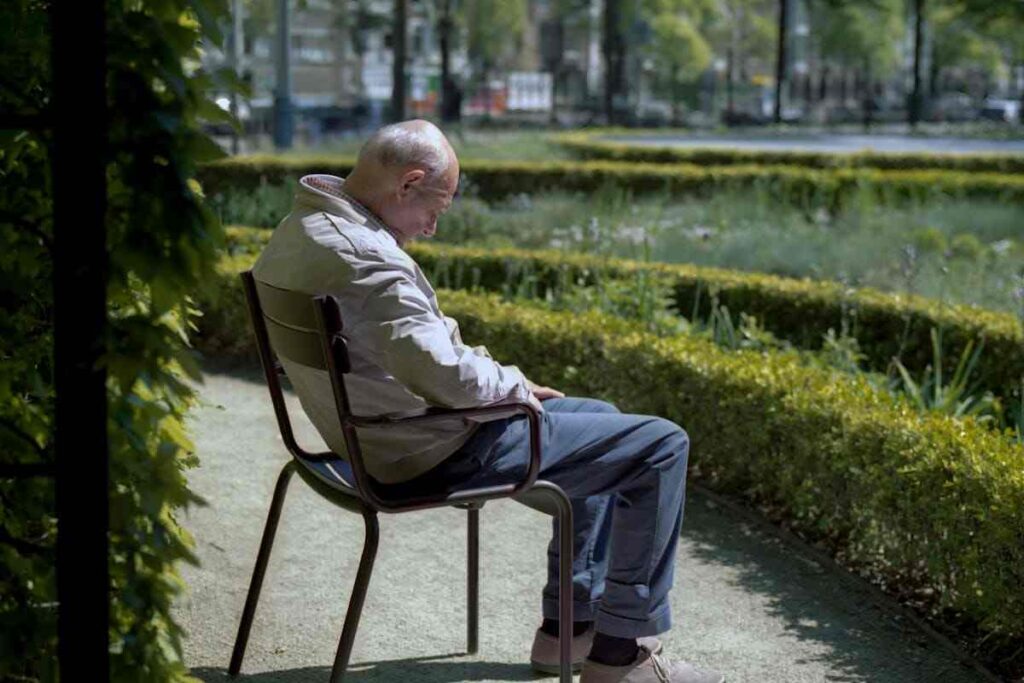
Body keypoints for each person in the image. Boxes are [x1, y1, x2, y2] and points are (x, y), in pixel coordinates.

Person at [252, 120, 724, 683]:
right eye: (437, 207)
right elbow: (448, 380)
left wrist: (506, 384)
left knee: (603, 423)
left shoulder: (301, 227)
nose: (432, 227)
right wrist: (516, 387)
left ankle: (566, 631)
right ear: (408, 183)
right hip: (424, 450)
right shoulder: (368, 261)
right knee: (662, 445)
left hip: (366, 439)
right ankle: (620, 657)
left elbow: (425, 356)